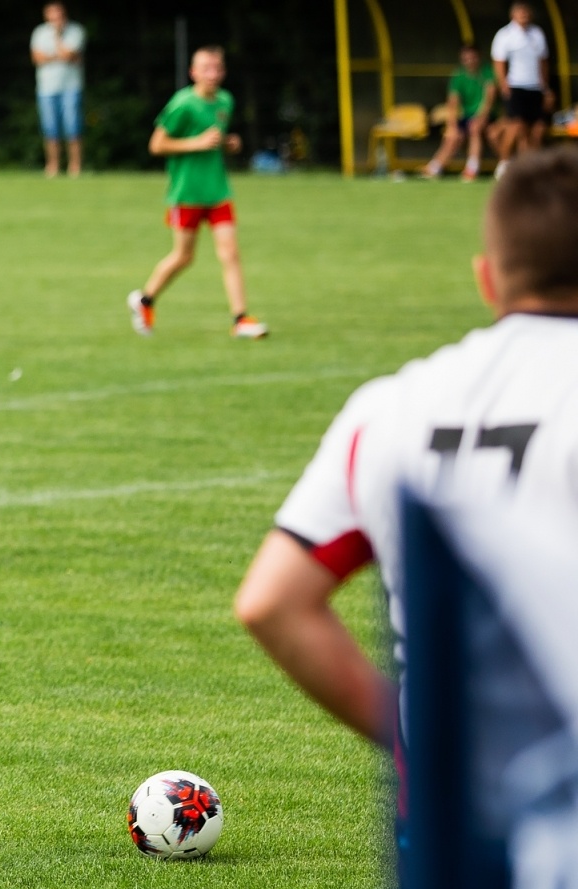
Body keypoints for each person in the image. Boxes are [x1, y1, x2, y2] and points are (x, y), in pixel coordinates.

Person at [234, 147, 578, 749]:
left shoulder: (389, 406)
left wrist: (418, 741)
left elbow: (271, 601)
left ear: (487, 278)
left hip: (452, 818)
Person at [126, 46, 268, 341]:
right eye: (206, 68)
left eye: (217, 68)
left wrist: (229, 144)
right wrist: (197, 143)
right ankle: (145, 300)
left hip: (218, 190)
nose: (212, 74)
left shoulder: (225, 101)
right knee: (183, 257)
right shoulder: (183, 104)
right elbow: (157, 145)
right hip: (186, 193)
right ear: (193, 73)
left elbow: (214, 139)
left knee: (230, 252)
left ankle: (240, 319)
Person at [491, 2, 551, 172]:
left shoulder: (537, 33)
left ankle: (529, 168)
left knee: (537, 130)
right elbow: (499, 62)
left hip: (535, 88)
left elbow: (543, 62)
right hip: (515, 87)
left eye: (526, 13)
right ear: (513, 15)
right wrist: (503, 84)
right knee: (516, 126)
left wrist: (545, 88)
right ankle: (503, 164)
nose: (524, 16)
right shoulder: (505, 35)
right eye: (520, 13)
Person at [29, 2, 85, 179]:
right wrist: (60, 55)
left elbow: (69, 55)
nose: (56, 19)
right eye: (52, 16)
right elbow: (37, 58)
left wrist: (58, 39)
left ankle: (75, 167)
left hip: (71, 87)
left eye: (59, 15)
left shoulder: (76, 31)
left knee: (73, 127)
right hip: (46, 88)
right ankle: (52, 166)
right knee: (50, 128)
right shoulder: (39, 33)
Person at [424, 45, 496, 182]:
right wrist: (452, 126)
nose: (469, 61)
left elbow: (489, 99)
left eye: (472, 58)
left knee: (474, 128)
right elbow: (452, 103)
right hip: (466, 116)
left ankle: (472, 168)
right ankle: (435, 167)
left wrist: (481, 118)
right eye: (466, 58)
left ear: (479, 57)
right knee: (453, 136)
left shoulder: (487, 72)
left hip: (486, 115)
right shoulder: (458, 75)